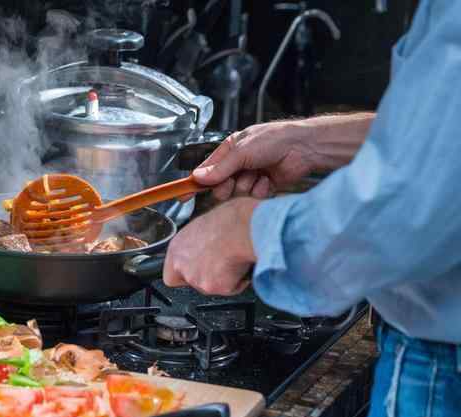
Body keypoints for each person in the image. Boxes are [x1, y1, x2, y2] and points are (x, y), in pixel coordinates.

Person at [162, 1, 461, 416]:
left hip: (446, 369)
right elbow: (443, 135)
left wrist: (248, 230)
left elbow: (416, 208)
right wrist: (309, 140)